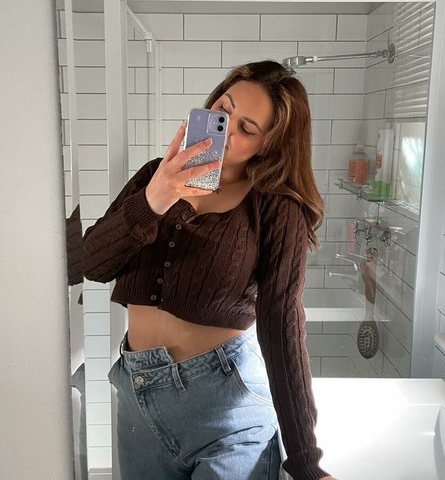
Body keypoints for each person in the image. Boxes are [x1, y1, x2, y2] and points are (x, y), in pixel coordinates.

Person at [82, 60, 336, 480]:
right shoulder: (155, 176)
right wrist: (154, 199)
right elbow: (92, 263)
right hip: (137, 397)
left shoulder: (276, 206)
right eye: (223, 109)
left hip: (225, 405)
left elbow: (282, 323)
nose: (225, 128)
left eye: (246, 128)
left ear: (269, 144)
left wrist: (306, 460)